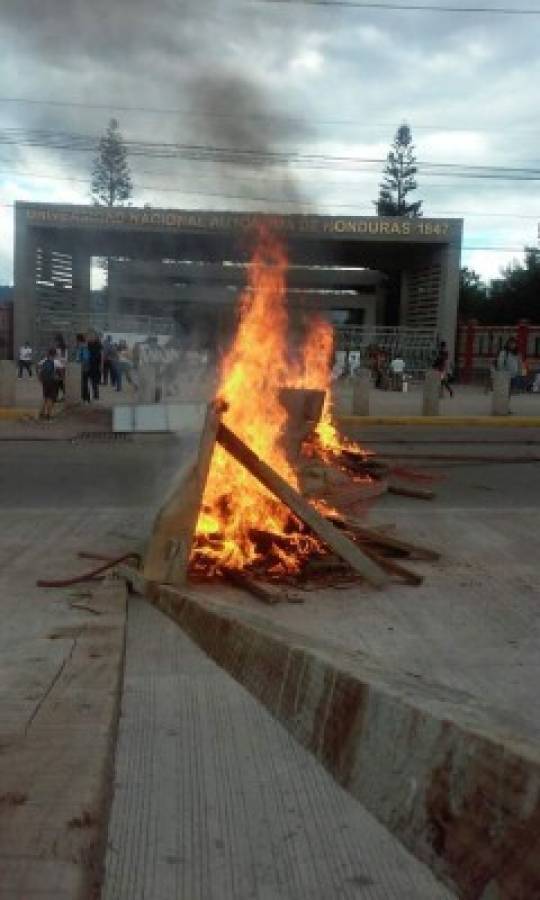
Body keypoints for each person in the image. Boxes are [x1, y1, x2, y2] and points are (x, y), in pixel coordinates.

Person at [37, 348, 59, 420]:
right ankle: (49, 415)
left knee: (45, 397)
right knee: (51, 398)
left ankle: (41, 413)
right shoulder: (56, 361)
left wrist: (40, 378)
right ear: (55, 354)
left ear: (48, 353)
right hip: (53, 382)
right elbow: (61, 371)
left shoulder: (43, 361)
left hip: (45, 381)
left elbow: (38, 367)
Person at [86, 331, 103, 400]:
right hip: (88, 364)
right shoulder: (87, 344)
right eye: (90, 336)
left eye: (92, 336)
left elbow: (102, 355)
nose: (91, 337)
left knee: (94, 381)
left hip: (96, 365)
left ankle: (96, 395)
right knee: (87, 381)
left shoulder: (99, 345)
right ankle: (87, 395)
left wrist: (101, 365)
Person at [55, 334, 68, 401]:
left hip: (61, 367)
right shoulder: (61, 348)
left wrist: (60, 366)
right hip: (59, 366)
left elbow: (63, 358)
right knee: (59, 382)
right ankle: (61, 395)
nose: (55, 342)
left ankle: (64, 395)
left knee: (60, 382)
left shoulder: (62, 348)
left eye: (56, 341)